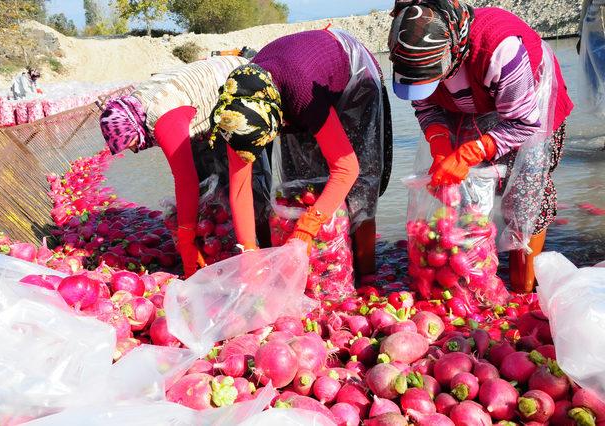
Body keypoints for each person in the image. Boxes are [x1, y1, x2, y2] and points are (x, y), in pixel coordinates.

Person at [388, 0, 573, 293]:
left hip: (527, 106)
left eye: (433, 78)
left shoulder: (499, 49)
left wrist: (470, 152)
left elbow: (524, 123)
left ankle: (523, 287)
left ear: (455, 52)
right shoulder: (413, 60)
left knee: (524, 194)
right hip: (467, 107)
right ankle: (474, 275)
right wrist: (440, 146)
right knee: (462, 197)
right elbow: (426, 108)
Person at [210, 29, 393, 279]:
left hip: (352, 77)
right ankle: (327, 265)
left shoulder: (302, 95)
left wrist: (308, 227)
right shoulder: (236, 114)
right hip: (292, 80)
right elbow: (240, 187)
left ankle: (366, 272)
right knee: (300, 183)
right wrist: (248, 252)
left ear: (279, 118)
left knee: (361, 186)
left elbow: (347, 168)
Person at [99, 56, 273, 278]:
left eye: (130, 142)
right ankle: (227, 250)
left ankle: (260, 251)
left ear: (133, 126)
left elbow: (186, 181)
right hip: (205, 103)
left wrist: (186, 235)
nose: (133, 150)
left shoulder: (162, 117)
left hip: (242, 87)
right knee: (211, 191)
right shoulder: (135, 106)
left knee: (246, 181)